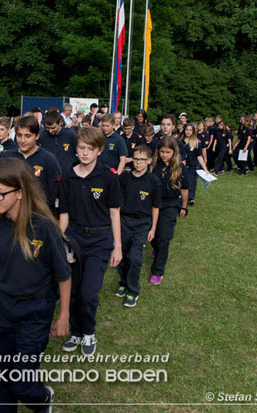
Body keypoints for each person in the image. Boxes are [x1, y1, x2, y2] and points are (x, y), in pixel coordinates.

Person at [0, 158, 71, 412]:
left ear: (19, 192)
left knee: (21, 381)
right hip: (1, 311)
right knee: (1, 381)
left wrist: (63, 315)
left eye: (0, 193)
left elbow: (64, 275)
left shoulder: (43, 228)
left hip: (34, 313)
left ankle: (42, 399)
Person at [58, 127, 121, 355]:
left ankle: (89, 332)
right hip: (73, 239)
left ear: (99, 150)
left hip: (100, 240)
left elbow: (115, 213)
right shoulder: (68, 175)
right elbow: (63, 214)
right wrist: (58, 242)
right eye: (81, 148)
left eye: (90, 149)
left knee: (88, 292)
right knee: (72, 290)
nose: (85, 153)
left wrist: (118, 246)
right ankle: (76, 332)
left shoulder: (108, 177)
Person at [115, 144, 160, 307]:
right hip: (124, 221)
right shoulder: (125, 178)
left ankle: (133, 290)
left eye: (142, 160)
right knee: (122, 255)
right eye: (135, 159)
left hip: (142, 223)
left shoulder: (154, 181)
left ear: (148, 161)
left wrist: (153, 228)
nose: (138, 163)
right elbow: (117, 201)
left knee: (135, 257)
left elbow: (156, 207)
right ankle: (124, 282)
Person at [149, 137, 189, 285]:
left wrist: (183, 206)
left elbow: (185, 189)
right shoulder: (153, 165)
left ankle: (157, 271)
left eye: (168, 152)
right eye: (162, 152)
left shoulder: (180, 168)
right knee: (151, 234)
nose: (164, 155)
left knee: (163, 237)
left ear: (174, 152)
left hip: (170, 205)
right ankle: (157, 248)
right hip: (153, 204)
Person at [1, 116, 61, 209]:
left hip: (38, 215)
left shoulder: (48, 159)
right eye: (19, 135)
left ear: (37, 136)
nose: (22, 140)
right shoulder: (7, 157)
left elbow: (55, 190)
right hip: (11, 214)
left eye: (27, 136)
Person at [180, 123, 210, 204]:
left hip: (192, 166)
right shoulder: (180, 141)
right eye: (186, 130)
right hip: (181, 165)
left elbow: (199, 156)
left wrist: (205, 169)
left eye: (190, 130)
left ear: (193, 131)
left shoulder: (196, 142)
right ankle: (181, 196)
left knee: (191, 181)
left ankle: (190, 198)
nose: (188, 132)